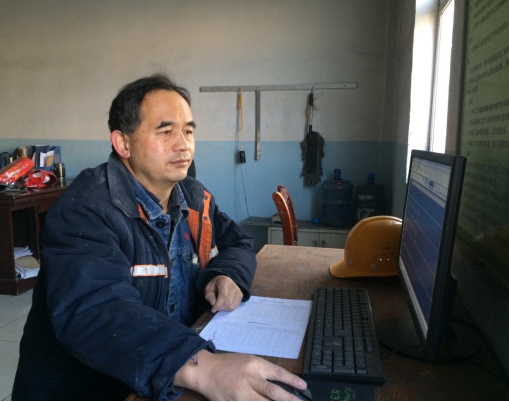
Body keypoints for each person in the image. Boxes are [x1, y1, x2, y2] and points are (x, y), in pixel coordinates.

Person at [12, 74, 307, 401]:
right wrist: (202, 366)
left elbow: (237, 242)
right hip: (100, 388)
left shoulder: (193, 196)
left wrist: (228, 274)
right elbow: (96, 310)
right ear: (123, 144)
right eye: (165, 131)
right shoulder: (84, 210)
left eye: (188, 131)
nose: (183, 145)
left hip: (170, 372)